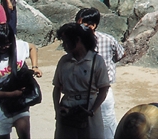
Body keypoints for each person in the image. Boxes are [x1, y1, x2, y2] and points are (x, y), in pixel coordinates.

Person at [53, 22, 110, 139]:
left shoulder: (96, 61)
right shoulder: (63, 61)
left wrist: (92, 111)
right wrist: (57, 110)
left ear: (77, 40)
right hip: (67, 109)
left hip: (88, 110)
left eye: (66, 41)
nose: (64, 45)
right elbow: (57, 88)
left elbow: (103, 89)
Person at [76, 7, 124, 139]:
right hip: (100, 89)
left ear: (93, 25)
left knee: (102, 124)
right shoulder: (108, 39)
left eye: (82, 25)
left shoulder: (77, 43)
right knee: (107, 125)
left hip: (97, 90)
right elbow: (120, 54)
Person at [0, 23, 42, 139]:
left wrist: (35, 67)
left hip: (20, 103)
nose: (3, 48)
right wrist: (9, 94)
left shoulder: (19, 46)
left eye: (7, 44)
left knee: (25, 136)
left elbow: (32, 47)